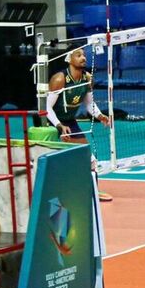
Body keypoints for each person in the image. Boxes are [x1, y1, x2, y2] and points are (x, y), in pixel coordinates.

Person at [45, 48, 113, 202]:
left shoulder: (88, 78)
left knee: (90, 160)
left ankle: (92, 192)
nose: (83, 58)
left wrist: (101, 116)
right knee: (53, 160)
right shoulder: (59, 79)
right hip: (50, 121)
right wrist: (59, 125)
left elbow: (89, 105)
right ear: (69, 59)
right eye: (79, 55)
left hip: (69, 122)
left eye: (84, 55)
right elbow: (46, 108)